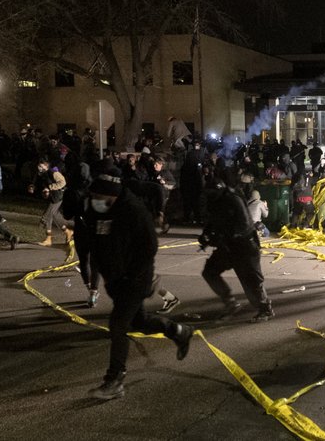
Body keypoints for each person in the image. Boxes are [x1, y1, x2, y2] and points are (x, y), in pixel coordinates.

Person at [83, 165, 194, 400]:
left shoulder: (133, 210)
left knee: (118, 325)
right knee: (140, 322)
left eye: (101, 196)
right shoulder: (95, 208)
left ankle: (114, 380)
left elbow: (149, 247)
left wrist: (133, 275)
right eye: (94, 195)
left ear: (114, 194)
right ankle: (179, 331)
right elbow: (94, 240)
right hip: (115, 280)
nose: (96, 200)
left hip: (135, 279)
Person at [199, 181, 274, 322]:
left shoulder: (233, 199)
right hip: (228, 246)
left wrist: (224, 236)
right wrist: (205, 236)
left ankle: (265, 309)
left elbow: (244, 224)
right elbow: (212, 221)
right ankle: (230, 303)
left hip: (245, 245)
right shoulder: (214, 202)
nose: (208, 197)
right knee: (209, 271)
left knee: (251, 279)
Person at [30, 159, 71, 247]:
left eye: (41, 166)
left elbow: (63, 182)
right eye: (38, 166)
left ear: (47, 166)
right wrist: (33, 187)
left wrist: (50, 187)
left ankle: (48, 239)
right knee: (55, 216)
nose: (39, 168)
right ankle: (68, 232)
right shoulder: (41, 175)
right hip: (52, 197)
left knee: (48, 215)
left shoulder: (53, 172)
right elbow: (39, 184)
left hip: (57, 197)